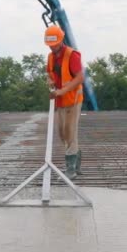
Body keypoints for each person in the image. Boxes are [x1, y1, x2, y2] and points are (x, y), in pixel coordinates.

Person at [45, 25, 84, 179]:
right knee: (62, 134)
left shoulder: (72, 55)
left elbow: (80, 78)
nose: (52, 47)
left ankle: (71, 168)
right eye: (49, 45)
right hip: (60, 101)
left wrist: (61, 91)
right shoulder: (50, 57)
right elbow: (49, 73)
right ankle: (76, 157)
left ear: (60, 41)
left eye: (54, 44)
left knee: (70, 132)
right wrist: (49, 81)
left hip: (72, 99)